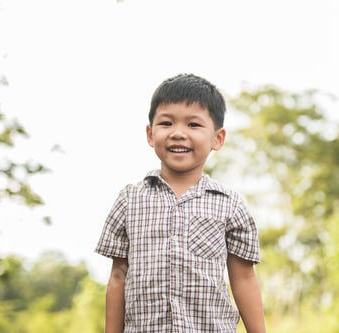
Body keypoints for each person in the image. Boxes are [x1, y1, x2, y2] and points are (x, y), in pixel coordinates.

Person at [95, 73, 266, 332]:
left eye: (193, 125)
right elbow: (118, 278)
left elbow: (243, 279)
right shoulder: (129, 201)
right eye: (166, 123)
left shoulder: (229, 205)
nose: (178, 133)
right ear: (150, 134)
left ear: (217, 138)